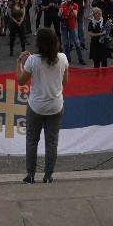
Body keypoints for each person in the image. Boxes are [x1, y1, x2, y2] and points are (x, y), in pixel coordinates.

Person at [17, 27, 68, 184]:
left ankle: (30, 175)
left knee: (32, 140)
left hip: (36, 106)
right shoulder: (63, 58)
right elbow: (65, 82)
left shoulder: (33, 60)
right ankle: (48, 176)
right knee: (52, 142)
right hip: (55, 105)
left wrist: (19, 62)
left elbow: (20, 81)